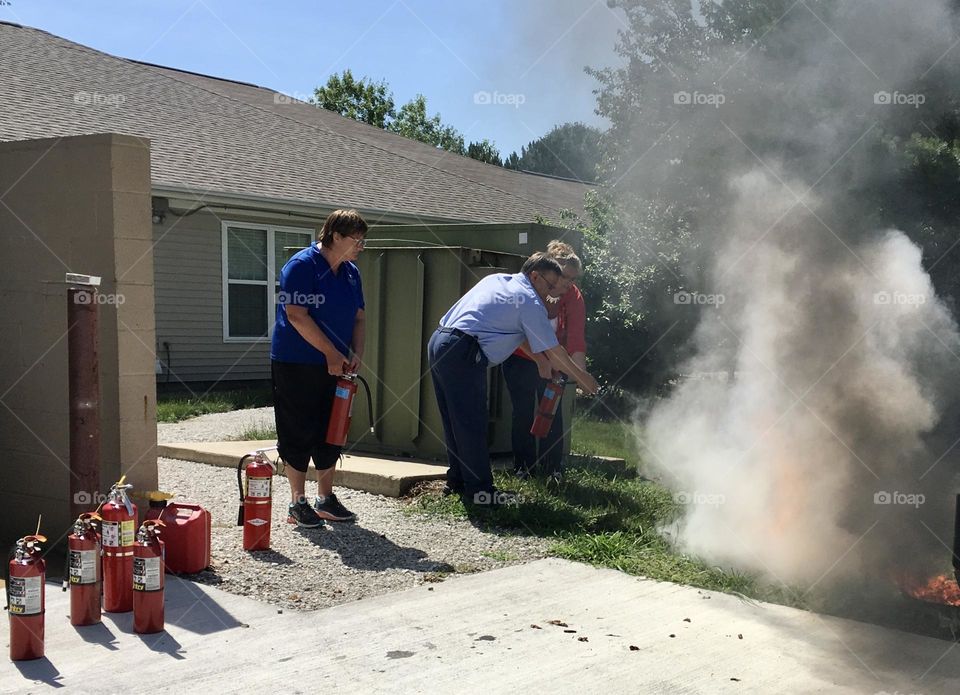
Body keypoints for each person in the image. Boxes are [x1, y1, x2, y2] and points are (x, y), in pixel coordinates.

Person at [428, 252, 599, 506]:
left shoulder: (499, 280)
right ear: (534, 276)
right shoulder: (529, 300)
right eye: (550, 285)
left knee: (456, 420)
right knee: (472, 422)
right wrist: (584, 379)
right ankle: (481, 493)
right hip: (464, 350)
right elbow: (556, 351)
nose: (551, 292)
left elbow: (516, 333)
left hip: (440, 342)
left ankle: (458, 481)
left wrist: (540, 361)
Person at [270, 209, 368, 527]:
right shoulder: (301, 265)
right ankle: (296, 503)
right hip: (297, 362)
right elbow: (297, 314)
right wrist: (329, 352)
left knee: (333, 429)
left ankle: (325, 499)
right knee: (297, 428)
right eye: (356, 240)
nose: (361, 246)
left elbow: (359, 317)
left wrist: (355, 353)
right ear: (335, 236)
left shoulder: (351, 273)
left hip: (337, 364)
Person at [502, 240, 586, 482]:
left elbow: (576, 338)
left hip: (555, 361)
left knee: (552, 412)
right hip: (521, 358)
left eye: (573, 279)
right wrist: (540, 360)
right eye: (565, 277)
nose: (569, 283)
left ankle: (553, 470)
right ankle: (523, 468)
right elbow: (516, 333)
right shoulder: (531, 290)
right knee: (523, 412)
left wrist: (580, 375)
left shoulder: (573, 297)